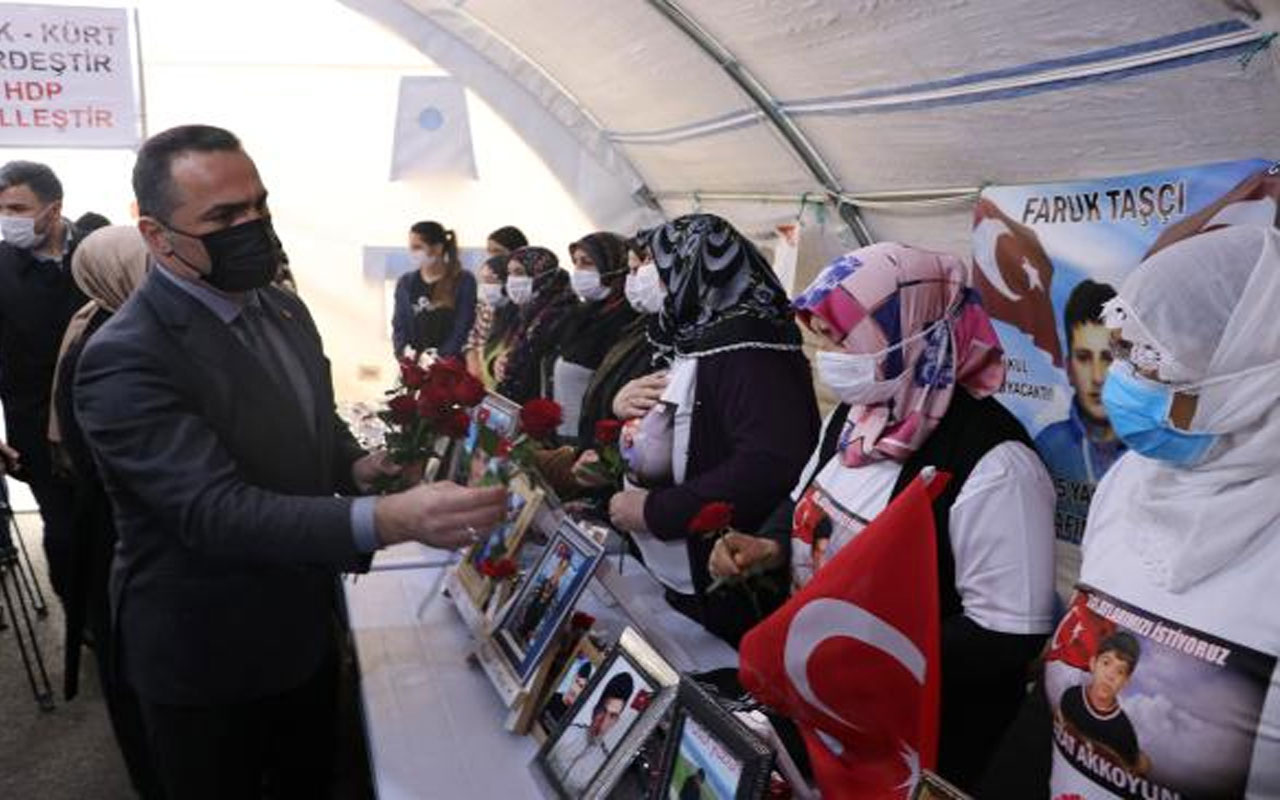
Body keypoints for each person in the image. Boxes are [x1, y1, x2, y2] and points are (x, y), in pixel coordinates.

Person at [73, 125, 507, 800]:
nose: (251, 227)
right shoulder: (128, 355)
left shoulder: (279, 308)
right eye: (222, 217)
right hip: (208, 656)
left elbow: (308, 418)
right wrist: (388, 518)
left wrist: (357, 468)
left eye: (258, 207)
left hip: (300, 629)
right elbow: (211, 511)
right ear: (157, 237)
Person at [709, 243, 1055, 789]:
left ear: (910, 333)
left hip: (910, 750)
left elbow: (1006, 636)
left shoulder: (997, 465)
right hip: (822, 713)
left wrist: (860, 657)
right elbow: (805, 497)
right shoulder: (859, 413)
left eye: (842, 337)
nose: (826, 353)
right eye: (821, 335)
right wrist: (771, 545)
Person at [1043, 225, 1280, 798]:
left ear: (1245, 372)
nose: (1119, 378)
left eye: (1146, 357)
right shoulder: (1131, 479)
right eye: (1120, 349)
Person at [607, 214, 820, 648]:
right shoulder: (695, 336)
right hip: (680, 570)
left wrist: (656, 511)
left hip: (727, 578)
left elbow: (768, 464)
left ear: (696, 268)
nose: (648, 277)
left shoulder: (751, 354)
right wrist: (622, 403)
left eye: (657, 265)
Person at [47, 225, 159, 797]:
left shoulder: (95, 320)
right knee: (136, 670)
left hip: (109, 521)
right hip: (120, 531)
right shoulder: (111, 340)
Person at [0, 159, 86, 607]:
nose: (6, 220)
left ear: (53, 210)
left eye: (16, 208)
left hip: (105, 426)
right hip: (36, 435)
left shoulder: (93, 256)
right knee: (66, 536)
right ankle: (81, 621)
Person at [1035, 279, 1126, 484]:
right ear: (1069, 369)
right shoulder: (1048, 447)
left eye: (1108, 358)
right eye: (1084, 358)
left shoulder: (1148, 449)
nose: (1097, 377)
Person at [552, 232, 637, 443]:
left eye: (588, 263)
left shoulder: (626, 319)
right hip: (565, 436)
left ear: (612, 265)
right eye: (576, 263)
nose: (579, 271)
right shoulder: (584, 314)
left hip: (592, 442)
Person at [496, 245, 579, 403]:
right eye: (510, 273)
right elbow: (513, 351)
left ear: (541, 275)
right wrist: (500, 362)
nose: (512, 280)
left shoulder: (563, 314)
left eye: (519, 273)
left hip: (543, 405)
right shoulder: (526, 312)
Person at [1057, 633, 1145, 772]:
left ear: (1126, 682)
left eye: (1120, 671)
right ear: (1093, 663)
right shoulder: (1071, 696)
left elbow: (1131, 771)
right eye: (1106, 663)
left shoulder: (1124, 732)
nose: (1110, 675)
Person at [390, 220, 476, 359]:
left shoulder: (463, 280)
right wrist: (403, 352)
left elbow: (463, 325)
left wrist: (440, 356)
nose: (413, 252)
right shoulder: (406, 282)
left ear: (437, 248)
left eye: (418, 247)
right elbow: (399, 325)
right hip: (415, 366)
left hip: (451, 365)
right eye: (411, 247)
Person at [547, 671, 636, 795]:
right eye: (603, 710)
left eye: (612, 716)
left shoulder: (605, 767)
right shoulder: (567, 732)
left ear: (616, 721)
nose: (603, 721)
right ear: (595, 708)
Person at [463, 226, 529, 376]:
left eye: (497, 251)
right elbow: (474, 335)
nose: (491, 256)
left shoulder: (521, 297)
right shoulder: (489, 293)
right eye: (489, 252)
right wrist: (473, 362)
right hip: (481, 371)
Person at [468, 254, 520, 388]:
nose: (486, 287)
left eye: (491, 281)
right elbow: (473, 338)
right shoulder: (486, 307)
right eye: (483, 280)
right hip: (482, 376)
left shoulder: (520, 314)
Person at [544, 659, 594, 726]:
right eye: (578, 683)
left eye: (583, 689)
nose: (576, 690)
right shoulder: (551, 698)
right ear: (575, 677)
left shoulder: (576, 720)